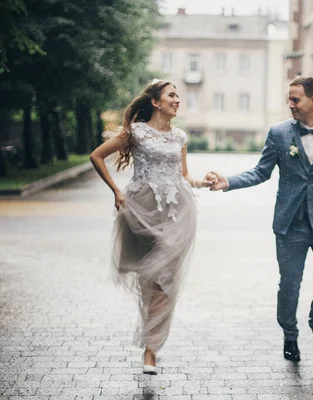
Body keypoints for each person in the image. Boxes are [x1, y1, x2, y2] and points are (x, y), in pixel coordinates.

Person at [206, 76, 313, 361]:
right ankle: (290, 334)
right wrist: (228, 181)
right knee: (289, 284)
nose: (290, 105)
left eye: (295, 99)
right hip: (291, 224)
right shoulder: (279, 134)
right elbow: (260, 172)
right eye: (289, 99)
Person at [89, 80, 211, 374]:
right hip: (142, 210)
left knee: (165, 277)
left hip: (176, 212)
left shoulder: (179, 137)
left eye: (178, 96)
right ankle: (151, 340)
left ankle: (151, 350)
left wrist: (200, 182)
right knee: (150, 281)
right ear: (156, 102)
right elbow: (96, 156)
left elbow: (183, 174)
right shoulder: (137, 133)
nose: (177, 100)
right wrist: (117, 192)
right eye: (172, 95)